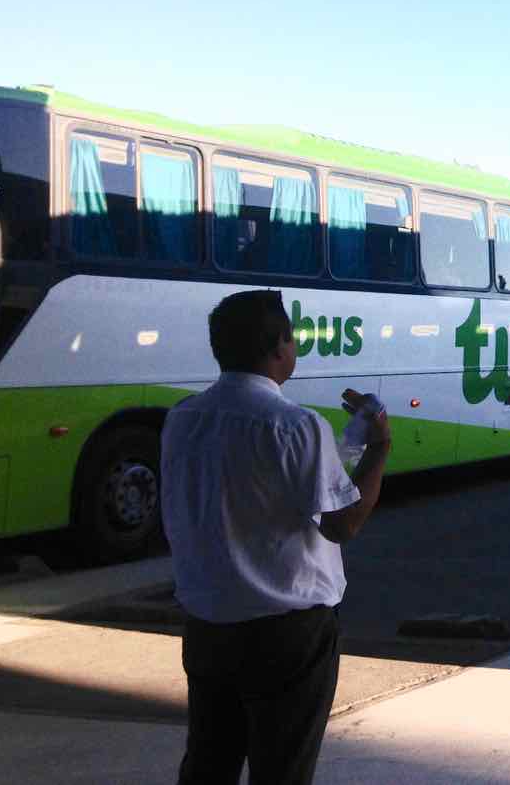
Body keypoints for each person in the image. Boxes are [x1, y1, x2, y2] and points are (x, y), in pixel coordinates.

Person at [161, 289, 392, 785]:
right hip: (286, 635)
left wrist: (343, 447)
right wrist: (380, 447)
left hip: (207, 626)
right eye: (292, 338)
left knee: (207, 764)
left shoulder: (182, 418)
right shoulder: (295, 424)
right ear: (279, 347)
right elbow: (343, 523)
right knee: (281, 771)